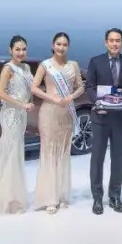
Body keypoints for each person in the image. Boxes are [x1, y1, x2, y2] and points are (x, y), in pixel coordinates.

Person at [0, 35, 35, 215]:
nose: (21, 53)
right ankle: (3, 199)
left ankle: (13, 196)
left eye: (23, 49)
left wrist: (30, 102)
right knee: (9, 152)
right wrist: (21, 104)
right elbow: (1, 93)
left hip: (22, 114)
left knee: (16, 153)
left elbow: (29, 90)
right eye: (17, 49)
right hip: (10, 115)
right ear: (10, 50)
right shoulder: (8, 69)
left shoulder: (26, 68)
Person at [30, 32, 84, 214]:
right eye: (58, 44)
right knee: (49, 152)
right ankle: (49, 199)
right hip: (49, 112)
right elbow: (34, 87)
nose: (61, 47)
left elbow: (81, 86)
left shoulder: (73, 65)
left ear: (68, 46)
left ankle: (60, 194)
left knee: (63, 152)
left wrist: (71, 96)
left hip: (66, 112)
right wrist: (51, 97)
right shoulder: (45, 65)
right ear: (53, 45)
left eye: (65, 44)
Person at [84, 28, 122, 215]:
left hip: (120, 118)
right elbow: (89, 86)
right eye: (111, 40)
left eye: (118, 40)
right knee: (97, 158)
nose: (115, 43)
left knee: (118, 158)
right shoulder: (95, 61)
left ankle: (115, 196)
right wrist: (97, 101)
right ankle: (97, 197)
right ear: (105, 42)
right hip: (100, 117)